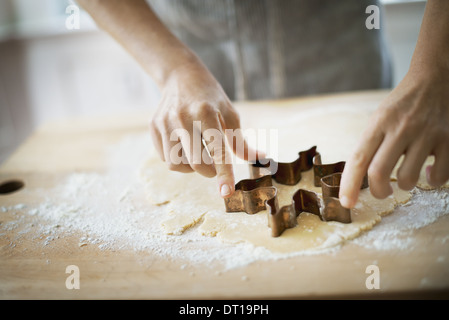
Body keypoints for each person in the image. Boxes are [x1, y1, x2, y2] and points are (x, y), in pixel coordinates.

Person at [77, 0, 449, 209]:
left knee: (368, 157)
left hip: (341, 53)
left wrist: (437, 66)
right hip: (190, 51)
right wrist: (174, 67)